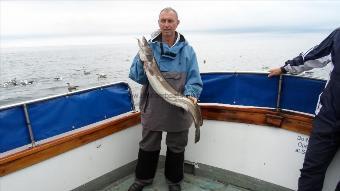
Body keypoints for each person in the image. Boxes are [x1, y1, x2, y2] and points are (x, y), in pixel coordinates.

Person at [128, 7, 203, 191]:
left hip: (178, 107)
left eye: (170, 21)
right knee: (148, 144)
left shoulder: (188, 51)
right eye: (163, 20)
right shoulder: (149, 49)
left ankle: (174, 181)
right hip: (152, 106)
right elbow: (137, 76)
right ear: (159, 23)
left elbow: (194, 79)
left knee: (176, 145)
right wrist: (141, 60)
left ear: (177, 23)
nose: (166, 24)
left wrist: (191, 94)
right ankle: (143, 180)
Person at [268, 28, 340, 191]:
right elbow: (313, 55)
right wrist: (284, 68)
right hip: (328, 117)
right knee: (311, 171)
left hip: (329, 116)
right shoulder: (338, 36)